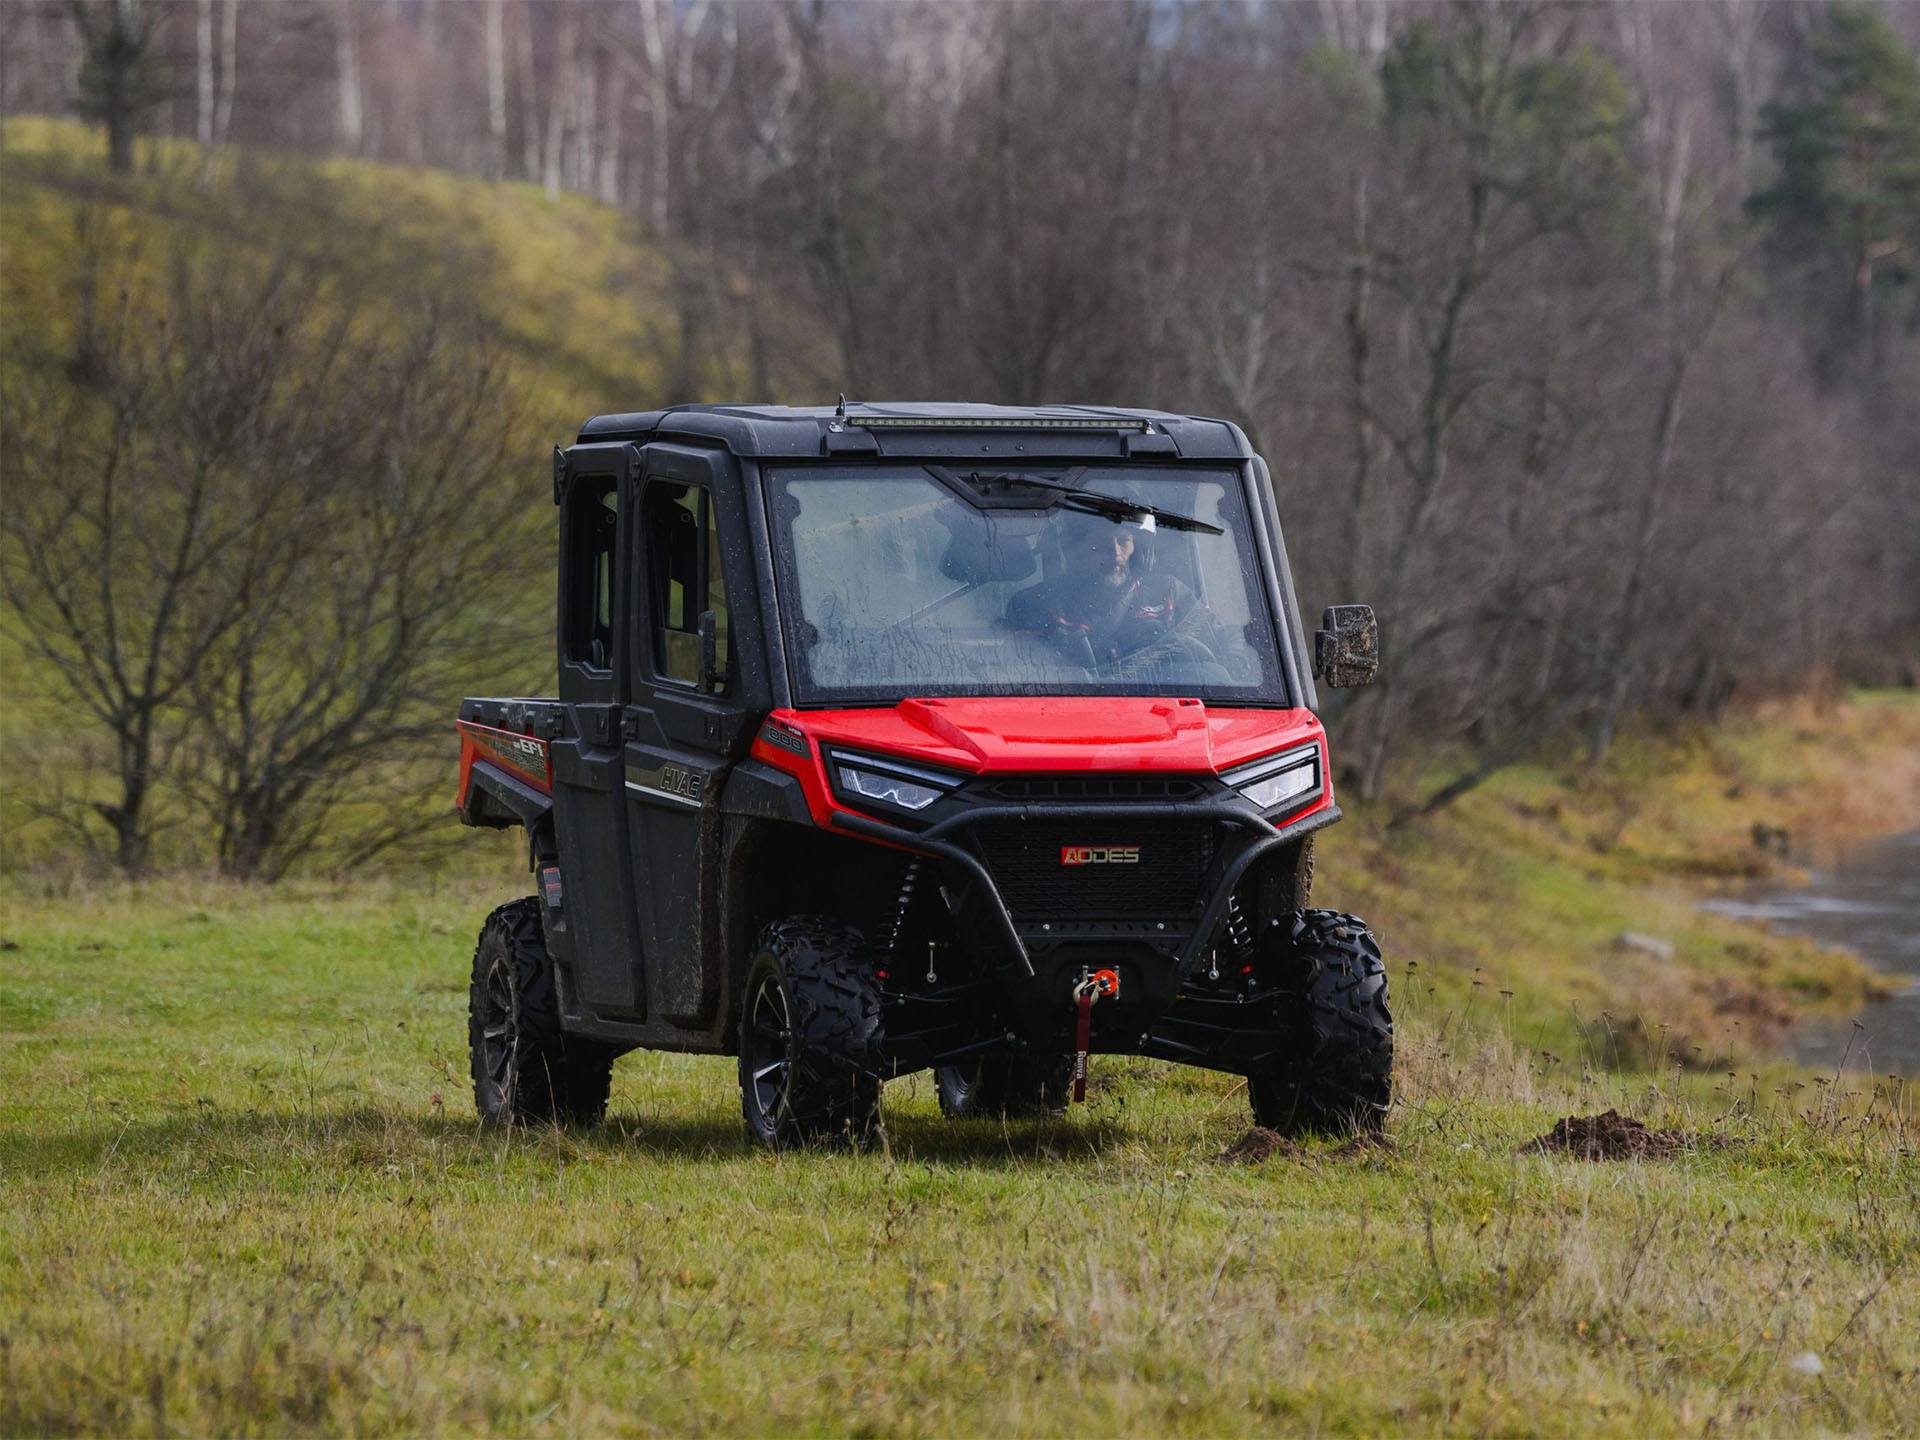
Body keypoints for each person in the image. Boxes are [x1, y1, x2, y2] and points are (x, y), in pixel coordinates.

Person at [1005, 507, 1226, 680]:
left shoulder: (1167, 592)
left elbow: (1223, 640)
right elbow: (1019, 675)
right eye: (1101, 543)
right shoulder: (1036, 605)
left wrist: (1237, 662)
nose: (1115, 553)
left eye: (1123, 541)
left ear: (1137, 548)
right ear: (1077, 550)